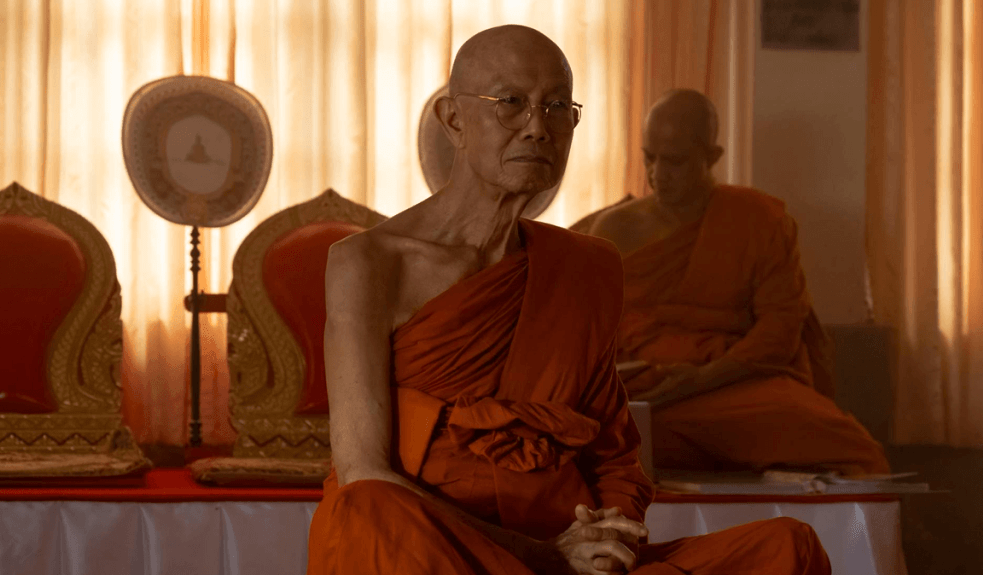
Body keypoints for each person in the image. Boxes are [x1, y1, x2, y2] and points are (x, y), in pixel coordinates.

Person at [307, 27, 831, 575]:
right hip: (434, 547)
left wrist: (603, 543)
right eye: (511, 103)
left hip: (561, 547)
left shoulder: (584, 266)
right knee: (367, 511)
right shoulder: (368, 263)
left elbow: (614, 453)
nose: (538, 127)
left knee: (788, 546)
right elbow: (364, 471)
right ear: (453, 120)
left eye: (558, 106)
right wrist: (541, 556)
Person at [585, 89, 889, 476]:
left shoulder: (758, 220)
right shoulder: (616, 228)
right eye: (650, 157)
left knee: (857, 451)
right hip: (651, 388)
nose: (657, 174)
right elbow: (590, 327)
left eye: (675, 161)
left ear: (711, 157)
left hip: (732, 383)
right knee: (591, 437)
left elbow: (779, 330)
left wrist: (700, 380)